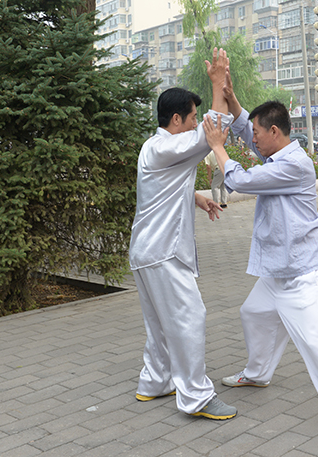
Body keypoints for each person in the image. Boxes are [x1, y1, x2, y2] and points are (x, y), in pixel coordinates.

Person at [202, 69, 318, 451]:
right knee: (254, 313)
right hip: (278, 269)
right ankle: (259, 372)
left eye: (259, 134)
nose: (252, 138)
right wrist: (230, 97)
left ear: (276, 133)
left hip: (303, 273)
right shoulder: (278, 148)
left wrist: (217, 145)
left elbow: (241, 181)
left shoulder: (293, 165)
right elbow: (249, 129)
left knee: (316, 344)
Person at [128, 48, 237, 420]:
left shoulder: (154, 147)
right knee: (190, 317)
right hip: (162, 252)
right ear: (176, 119)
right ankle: (196, 397)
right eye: (192, 118)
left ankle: (155, 381)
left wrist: (197, 199)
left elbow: (163, 187)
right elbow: (213, 134)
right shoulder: (168, 144)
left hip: (146, 252)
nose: (196, 124)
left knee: (159, 323)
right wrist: (219, 83)